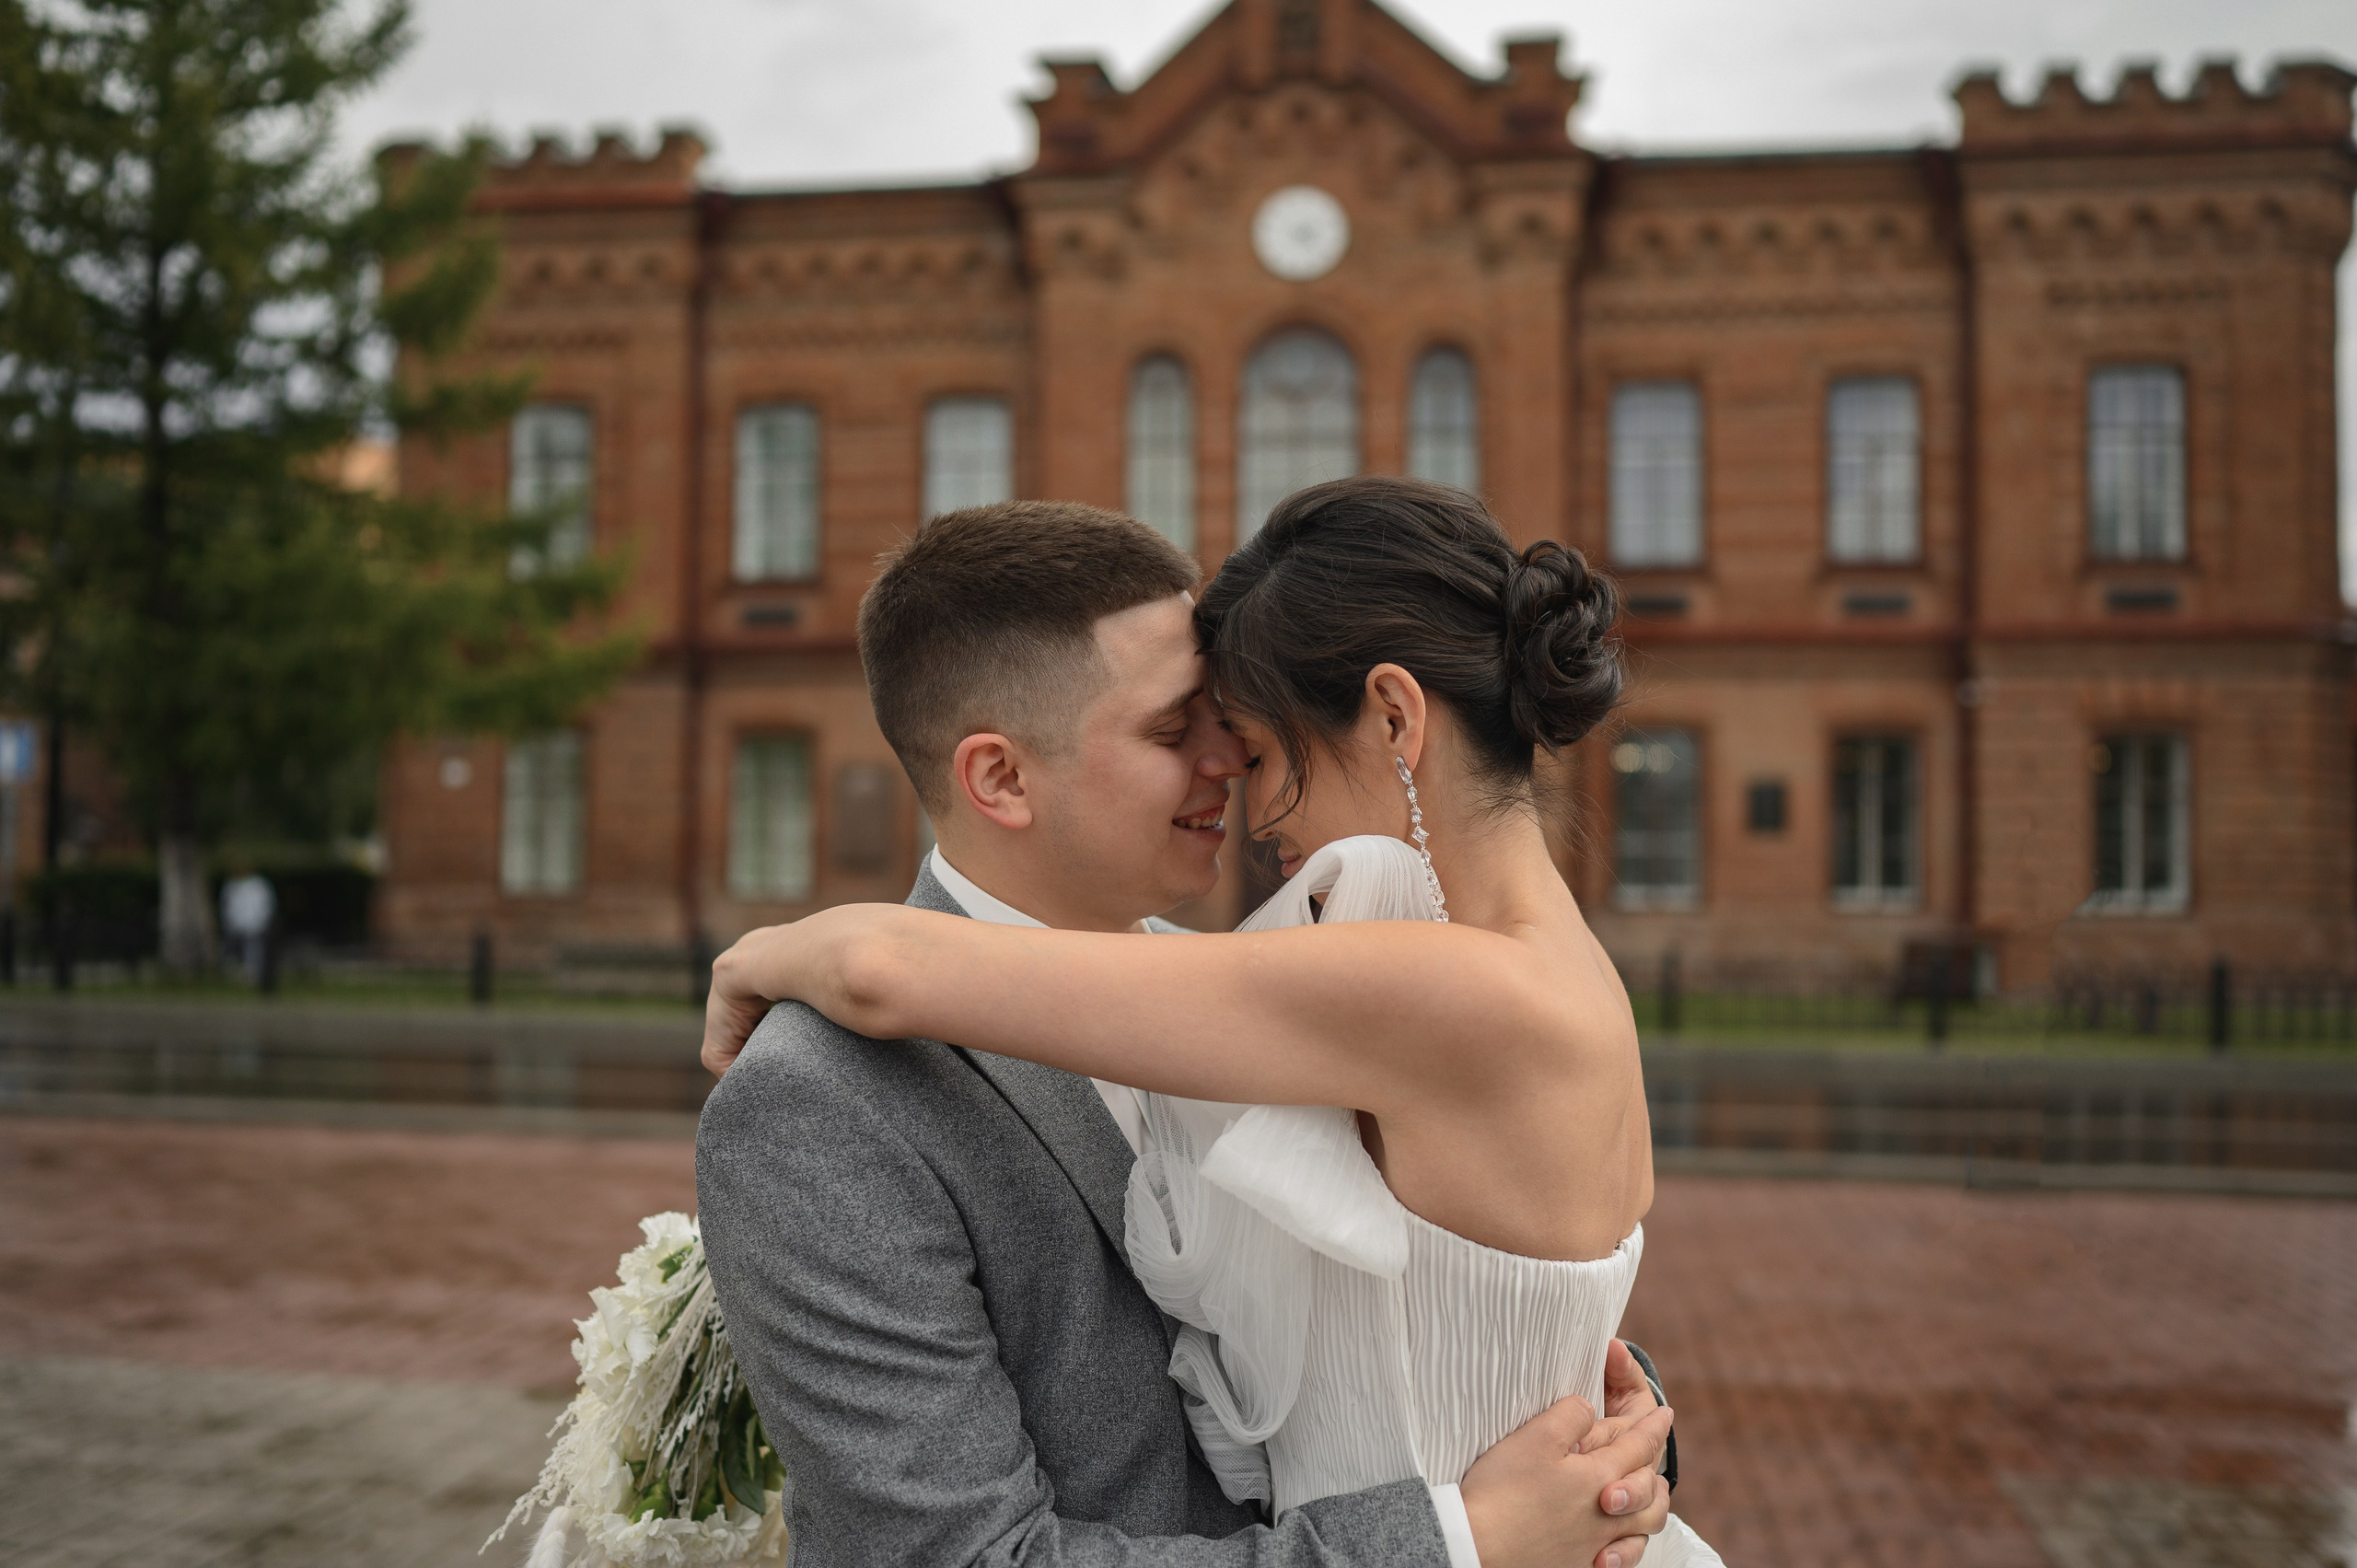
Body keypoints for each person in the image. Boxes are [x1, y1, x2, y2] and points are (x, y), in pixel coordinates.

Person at [695, 496, 1678, 1568]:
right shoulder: (817, 1102)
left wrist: (774, 947)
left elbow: (882, 968)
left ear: (1394, 717)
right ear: (1000, 776)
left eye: (1242, 727)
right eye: (1178, 728)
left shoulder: (1337, 987)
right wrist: (1483, 1522)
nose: (1234, 770)